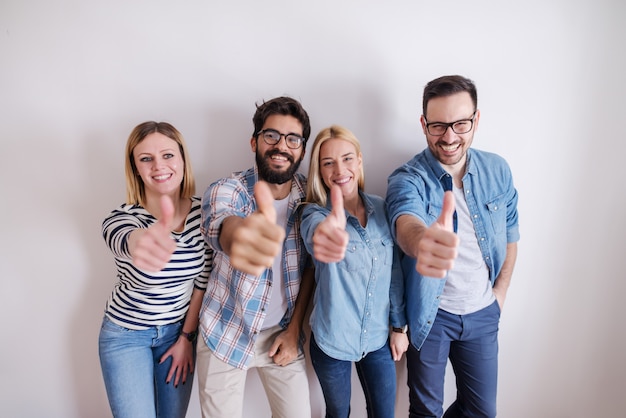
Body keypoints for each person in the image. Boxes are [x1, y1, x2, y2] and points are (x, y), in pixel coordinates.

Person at [386, 75, 520, 418]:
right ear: (423, 124)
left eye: (460, 124)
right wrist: (423, 242)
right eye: (438, 126)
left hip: (483, 313)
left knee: (481, 411)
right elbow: (406, 221)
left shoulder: (497, 170)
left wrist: (499, 295)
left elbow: (511, 233)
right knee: (426, 410)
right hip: (432, 317)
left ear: (476, 119)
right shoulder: (407, 178)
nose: (449, 137)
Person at [197, 96, 315, 418]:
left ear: (302, 150)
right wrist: (239, 237)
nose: (281, 145)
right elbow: (221, 223)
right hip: (226, 330)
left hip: (281, 335)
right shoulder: (227, 189)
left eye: (293, 139)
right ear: (254, 141)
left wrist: (294, 331)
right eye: (271, 135)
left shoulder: (309, 198)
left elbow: (310, 270)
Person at [99, 121, 212, 418]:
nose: (158, 165)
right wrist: (141, 241)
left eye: (168, 155)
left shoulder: (205, 212)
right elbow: (123, 238)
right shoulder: (122, 217)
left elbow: (202, 282)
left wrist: (186, 338)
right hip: (125, 336)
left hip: (178, 335)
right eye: (146, 158)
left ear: (183, 160)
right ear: (135, 168)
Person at [300, 125, 409, 418]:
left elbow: (395, 273)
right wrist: (327, 234)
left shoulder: (383, 208)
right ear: (320, 171)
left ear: (359, 161)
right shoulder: (314, 214)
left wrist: (399, 328)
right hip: (332, 342)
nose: (339, 169)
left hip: (377, 340)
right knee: (338, 414)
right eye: (328, 163)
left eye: (347, 158)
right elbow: (314, 235)